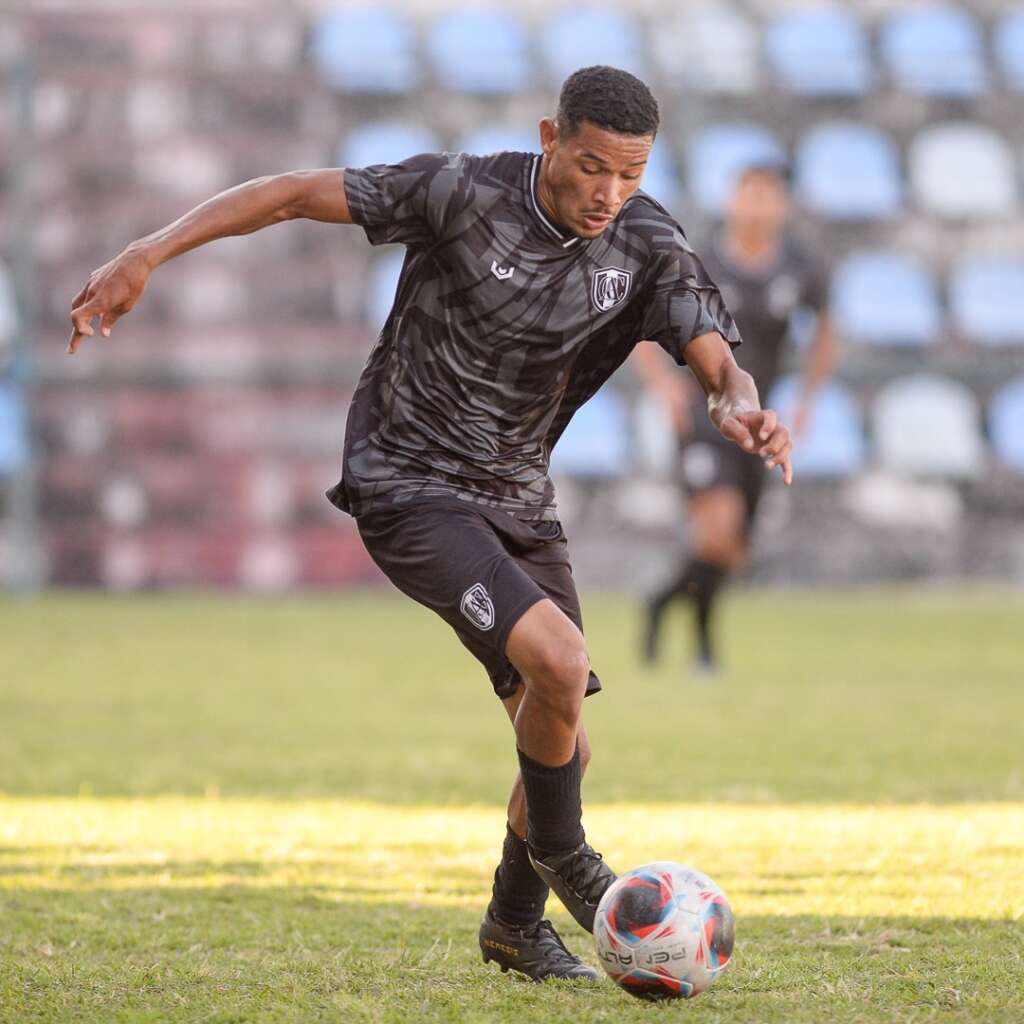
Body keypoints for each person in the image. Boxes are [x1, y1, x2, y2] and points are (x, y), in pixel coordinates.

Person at [68, 67, 793, 982]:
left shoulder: (643, 244)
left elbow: (719, 363)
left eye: (631, 174)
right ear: (548, 137)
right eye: (592, 166)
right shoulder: (461, 193)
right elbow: (290, 195)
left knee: (559, 727)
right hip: (406, 481)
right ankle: (574, 867)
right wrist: (147, 252)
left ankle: (511, 925)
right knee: (560, 665)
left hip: (517, 497)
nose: (609, 193)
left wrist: (740, 407)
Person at [636, 163, 836, 676]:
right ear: (731, 200)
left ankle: (661, 600)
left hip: (760, 420)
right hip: (706, 414)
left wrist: (807, 399)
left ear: (783, 205)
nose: (756, 204)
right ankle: (704, 647)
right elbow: (640, 318)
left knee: (735, 550)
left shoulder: (800, 266)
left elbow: (826, 332)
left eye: (767, 195)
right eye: (747, 193)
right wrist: (663, 387)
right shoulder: (699, 257)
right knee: (717, 534)